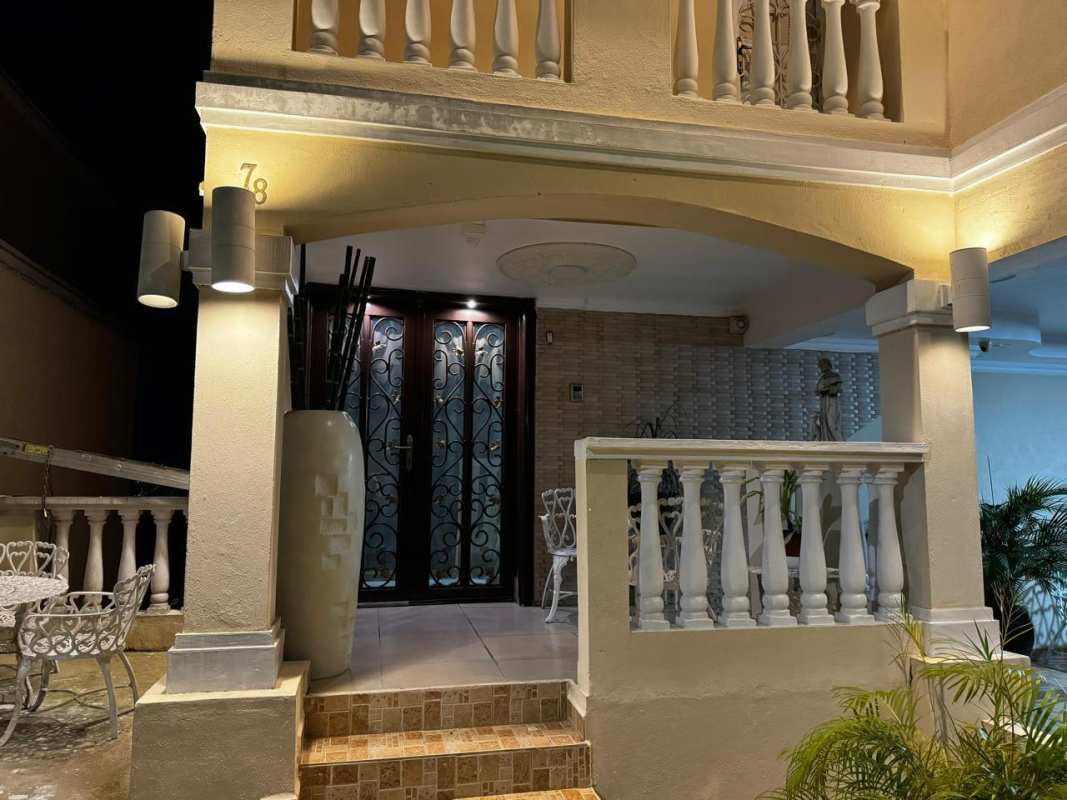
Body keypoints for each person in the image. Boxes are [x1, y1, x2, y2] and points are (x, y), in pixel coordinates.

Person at [812, 356, 843, 442]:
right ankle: (826, 439)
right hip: (824, 402)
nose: (821, 367)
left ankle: (836, 441)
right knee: (824, 421)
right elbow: (817, 390)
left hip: (832, 401)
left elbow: (838, 389)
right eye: (820, 366)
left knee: (831, 421)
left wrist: (827, 389)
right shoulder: (822, 378)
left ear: (828, 365)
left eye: (822, 365)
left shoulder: (835, 376)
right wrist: (822, 390)